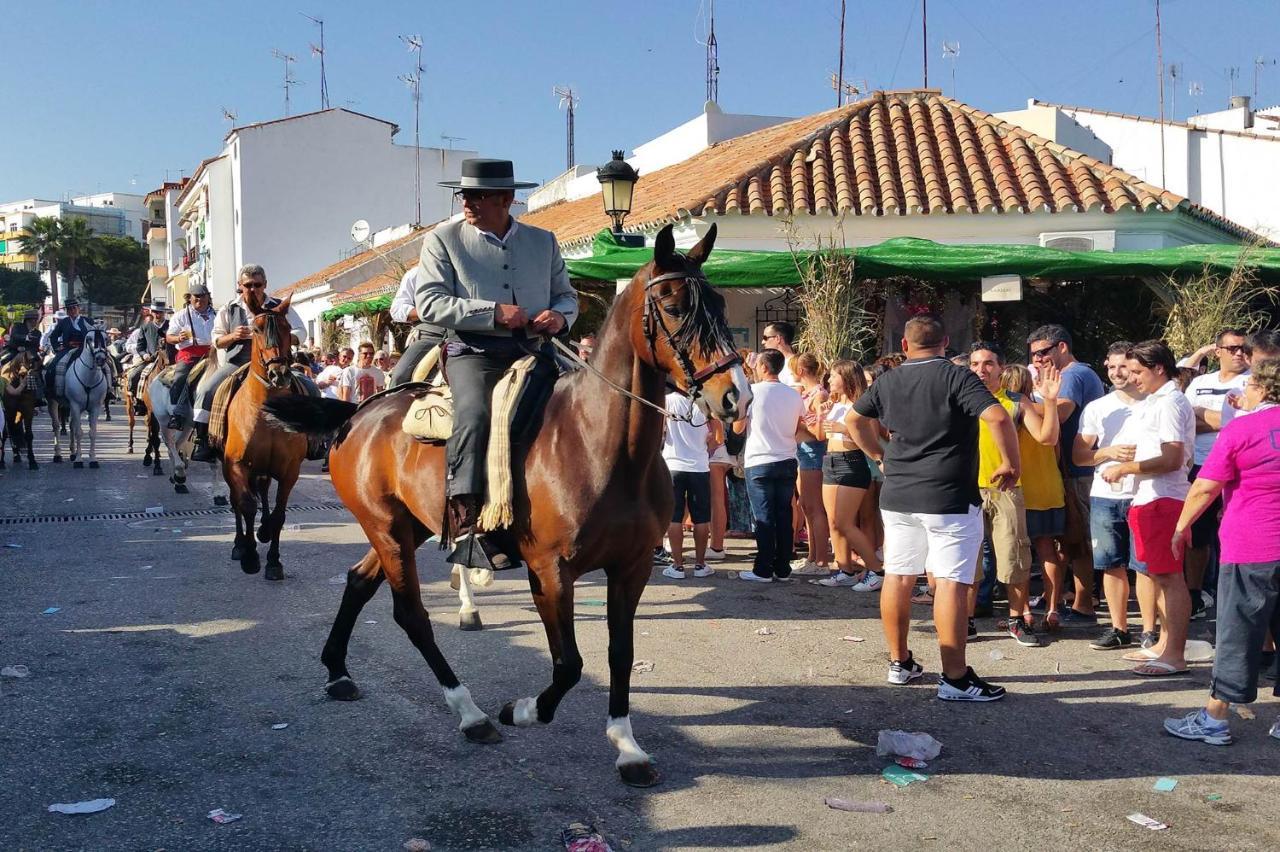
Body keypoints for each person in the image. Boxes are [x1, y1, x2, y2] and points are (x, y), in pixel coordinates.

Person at [416, 158, 576, 570]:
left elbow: (567, 296)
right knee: (473, 415)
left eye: (477, 196)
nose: (467, 203)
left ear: (506, 199)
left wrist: (559, 317)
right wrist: (493, 313)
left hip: (535, 351)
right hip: (472, 351)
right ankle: (469, 524)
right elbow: (429, 302)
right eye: (464, 194)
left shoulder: (544, 241)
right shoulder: (442, 239)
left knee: (579, 410)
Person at [851, 314, 1019, 701]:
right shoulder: (957, 376)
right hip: (949, 495)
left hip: (898, 495)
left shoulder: (888, 379)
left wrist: (880, 455)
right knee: (951, 583)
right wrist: (1011, 463)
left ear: (905, 346)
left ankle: (899, 662)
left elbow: (854, 419)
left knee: (898, 576)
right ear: (945, 343)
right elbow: (996, 416)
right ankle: (956, 677)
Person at [1163, 357, 1280, 745]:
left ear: (1262, 388)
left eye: (1249, 386)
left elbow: (1205, 487)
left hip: (1253, 545)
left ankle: (1214, 718)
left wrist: (1181, 527)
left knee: (1237, 632)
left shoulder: (1243, 429)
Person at [1100, 340, 1196, 677]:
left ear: (1158, 369)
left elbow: (1172, 458)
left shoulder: (1169, 402)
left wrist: (1125, 468)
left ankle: (1174, 654)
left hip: (1163, 498)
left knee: (1169, 577)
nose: (1131, 377)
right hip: (1152, 497)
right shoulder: (1159, 400)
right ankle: (1165, 645)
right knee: (1160, 575)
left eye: (1138, 371)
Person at [974, 348, 1061, 647]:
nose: (981, 369)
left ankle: (1016, 620)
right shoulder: (959, 400)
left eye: (988, 363)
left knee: (1015, 558)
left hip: (1007, 490)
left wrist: (1049, 400)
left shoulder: (1014, 401)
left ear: (1000, 368)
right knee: (967, 560)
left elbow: (1048, 438)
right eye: (975, 363)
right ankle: (966, 620)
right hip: (967, 490)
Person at [1074, 342, 1155, 652]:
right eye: (1111, 367)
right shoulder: (1098, 408)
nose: (1117, 373)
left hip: (1146, 492)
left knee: (1145, 565)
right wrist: (1106, 452)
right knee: (1111, 563)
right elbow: (1079, 455)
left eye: (1123, 366)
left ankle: (1149, 629)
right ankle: (1118, 628)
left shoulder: (1154, 403)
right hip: (1106, 495)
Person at [1027, 323, 1106, 626]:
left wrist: (1020, 405)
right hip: (1070, 468)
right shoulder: (1073, 374)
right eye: (1033, 354)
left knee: (1078, 539)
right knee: (1068, 540)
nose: (1037, 359)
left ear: (1062, 347)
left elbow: (1060, 413)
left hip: (1078, 470)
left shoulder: (1073, 374)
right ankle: (1073, 599)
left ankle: (1085, 604)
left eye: (1042, 352)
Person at [189, 265, 308, 462]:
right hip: (238, 362)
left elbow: (301, 332)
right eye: (248, 285)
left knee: (310, 388)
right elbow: (216, 340)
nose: (253, 289)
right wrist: (233, 336)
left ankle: (315, 440)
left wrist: (287, 337)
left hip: (275, 363)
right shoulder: (229, 309)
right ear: (240, 286)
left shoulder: (279, 306)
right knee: (207, 390)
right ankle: (203, 440)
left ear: (265, 284)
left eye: (257, 284)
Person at [1182, 328, 1251, 621]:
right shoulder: (1199, 382)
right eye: (1233, 348)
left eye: (1243, 348)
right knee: (1197, 535)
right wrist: (1224, 419)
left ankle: (1234, 596)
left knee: (1235, 532)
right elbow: (1184, 421)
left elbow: (1246, 422)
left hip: (1239, 465)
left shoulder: (1255, 381)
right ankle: (1195, 594)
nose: (1239, 353)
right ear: (1218, 351)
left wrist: (1206, 416)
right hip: (1199, 464)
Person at [734, 348, 807, 582]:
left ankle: (763, 568)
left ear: (764, 367)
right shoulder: (794, 394)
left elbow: (738, 428)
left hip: (760, 460)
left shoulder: (752, 392)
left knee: (764, 517)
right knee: (784, 514)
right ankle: (782, 567)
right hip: (786, 459)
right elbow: (797, 428)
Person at [812, 359, 882, 589]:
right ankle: (845, 570)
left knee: (845, 523)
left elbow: (870, 442)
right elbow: (822, 437)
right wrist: (822, 415)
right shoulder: (835, 404)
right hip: (830, 461)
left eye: (833, 375)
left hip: (852, 463)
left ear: (847, 378)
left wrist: (846, 429)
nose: (829, 380)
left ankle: (876, 570)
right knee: (834, 522)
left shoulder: (861, 406)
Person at [660, 391, 715, 579]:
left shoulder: (668, 399)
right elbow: (715, 436)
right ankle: (700, 564)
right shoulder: (704, 400)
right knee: (701, 518)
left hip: (673, 464)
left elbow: (660, 430)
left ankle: (677, 565)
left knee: (674, 518)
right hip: (699, 466)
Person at [792, 352, 831, 574]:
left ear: (801, 371)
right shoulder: (806, 393)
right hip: (802, 450)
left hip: (812, 451)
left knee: (815, 507)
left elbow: (819, 433)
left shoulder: (819, 394)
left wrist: (800, 421)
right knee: (806, 505)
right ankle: (812, 556)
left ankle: (821, 561)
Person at [163, 283, 216, 429]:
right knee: (181, 377)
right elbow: (169, 337)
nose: (200, 299)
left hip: (214, 354)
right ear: (190, 298)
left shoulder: (216, 314)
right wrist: (177, 338)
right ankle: (177, 414)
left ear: (208, 297)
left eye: (203, 296)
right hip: (190, 354)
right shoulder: (181, 316)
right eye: (196, 296)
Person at [125, 302, 168, 410]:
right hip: (151, 360)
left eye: (160, 312)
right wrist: (144, 355)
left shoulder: (171, 325)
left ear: (164, 313)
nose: (158, 315)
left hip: (169, 360)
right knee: (134, 376)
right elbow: (140, 346)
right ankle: (138, 401)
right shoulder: (145, 327)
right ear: (152, 313)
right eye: (155, 312)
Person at [761, 321, 799, 387]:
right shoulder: (769, 363)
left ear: (778, 338)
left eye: (765, 338)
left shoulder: (795, 363)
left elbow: (797, 392)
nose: (763, 342)